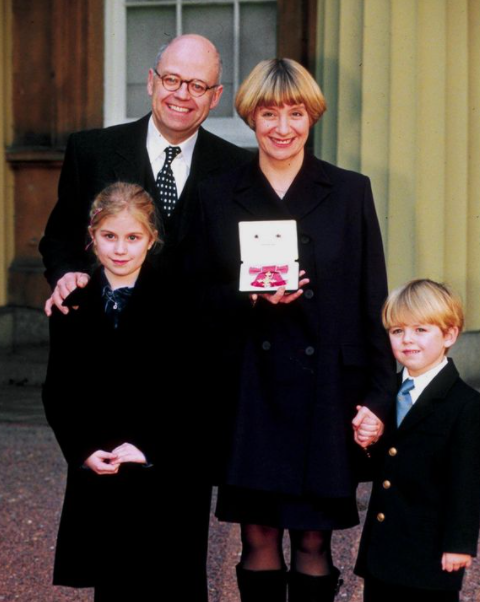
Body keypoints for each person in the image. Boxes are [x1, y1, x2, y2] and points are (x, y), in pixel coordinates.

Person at [39, 34, 251, 601]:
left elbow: (241, 263)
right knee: (113, 558)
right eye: (173, 80)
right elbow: (60, 237)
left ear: (216, 98)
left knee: (179, 555)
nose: (183, 94)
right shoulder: (91, 150)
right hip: (109, 381)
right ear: (152, 81)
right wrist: (65, 274)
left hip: (185, 399)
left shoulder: (237, 167)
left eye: (198, 86)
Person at [199, 58, 396, 602]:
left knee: (315, 542)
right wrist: (249, 297)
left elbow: (372, 299)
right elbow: (195, 297)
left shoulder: (350, 191)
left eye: (295, 113)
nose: (282, 127)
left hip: (328, 393)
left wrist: (381, 396)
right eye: (268, 113)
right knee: (256, 535)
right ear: (249, 118)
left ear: (313, 117)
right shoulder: (217, 193)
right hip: (250, 390)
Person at [42, 182, 170, 601]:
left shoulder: (179, 300)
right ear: (91, 238)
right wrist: (82, 449)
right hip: (100, 460)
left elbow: (193, 388)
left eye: (133, 237)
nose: (120, 249)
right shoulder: (72, 301)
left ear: (151, 240)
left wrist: (151, 446)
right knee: (110, 581)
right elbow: (58, 390)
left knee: (164, 577)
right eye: (109, 236)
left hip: (161, 466)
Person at [354, 279, 480, 602]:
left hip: (430, 557)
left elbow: (467, 483)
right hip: (383, 552)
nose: (407, 340)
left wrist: (459, 543)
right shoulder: (386, 396)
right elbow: (384, 466)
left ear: (449, 334)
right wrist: (366, 442)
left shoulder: (468, 406)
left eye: (420, 330)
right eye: (397, 331)